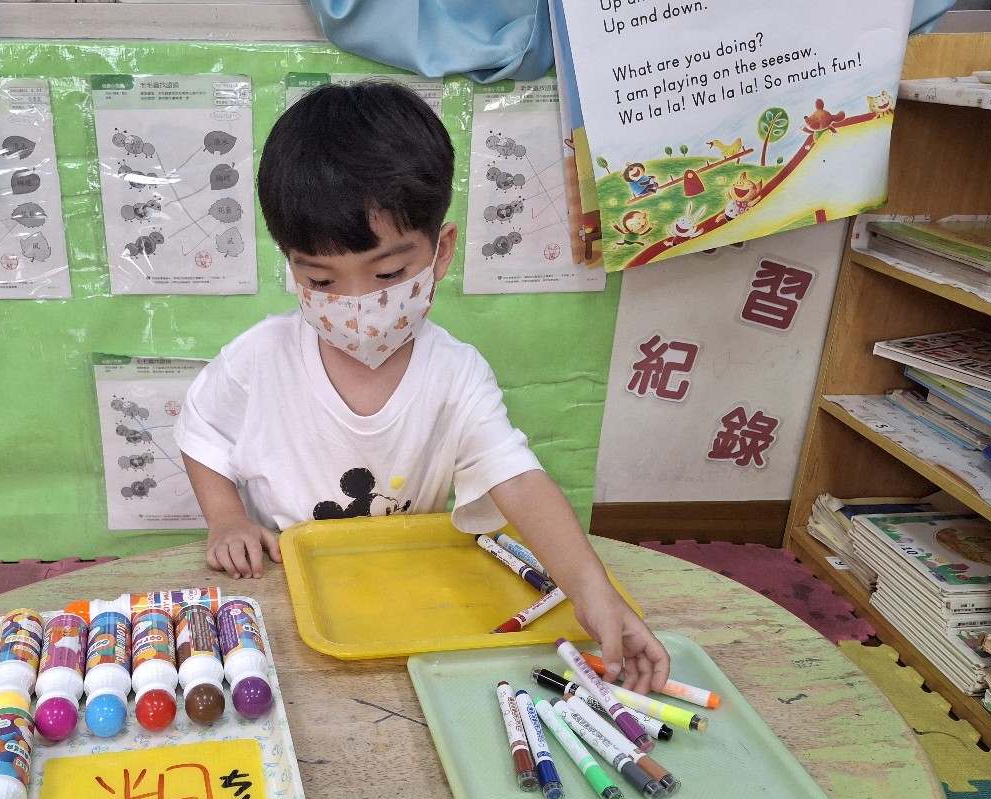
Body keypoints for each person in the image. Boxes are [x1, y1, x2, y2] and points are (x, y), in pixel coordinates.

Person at [174, 80, 669, 692]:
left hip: (409, 595)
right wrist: (225, 519)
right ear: (292, 264)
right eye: (321, 281)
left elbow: (516, 478)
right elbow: (201, 429)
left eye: (387, 272)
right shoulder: (259, 358)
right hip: (283, 592)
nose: (357, 302)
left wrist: (594, 591)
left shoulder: (457, 373)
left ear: (441, 252)